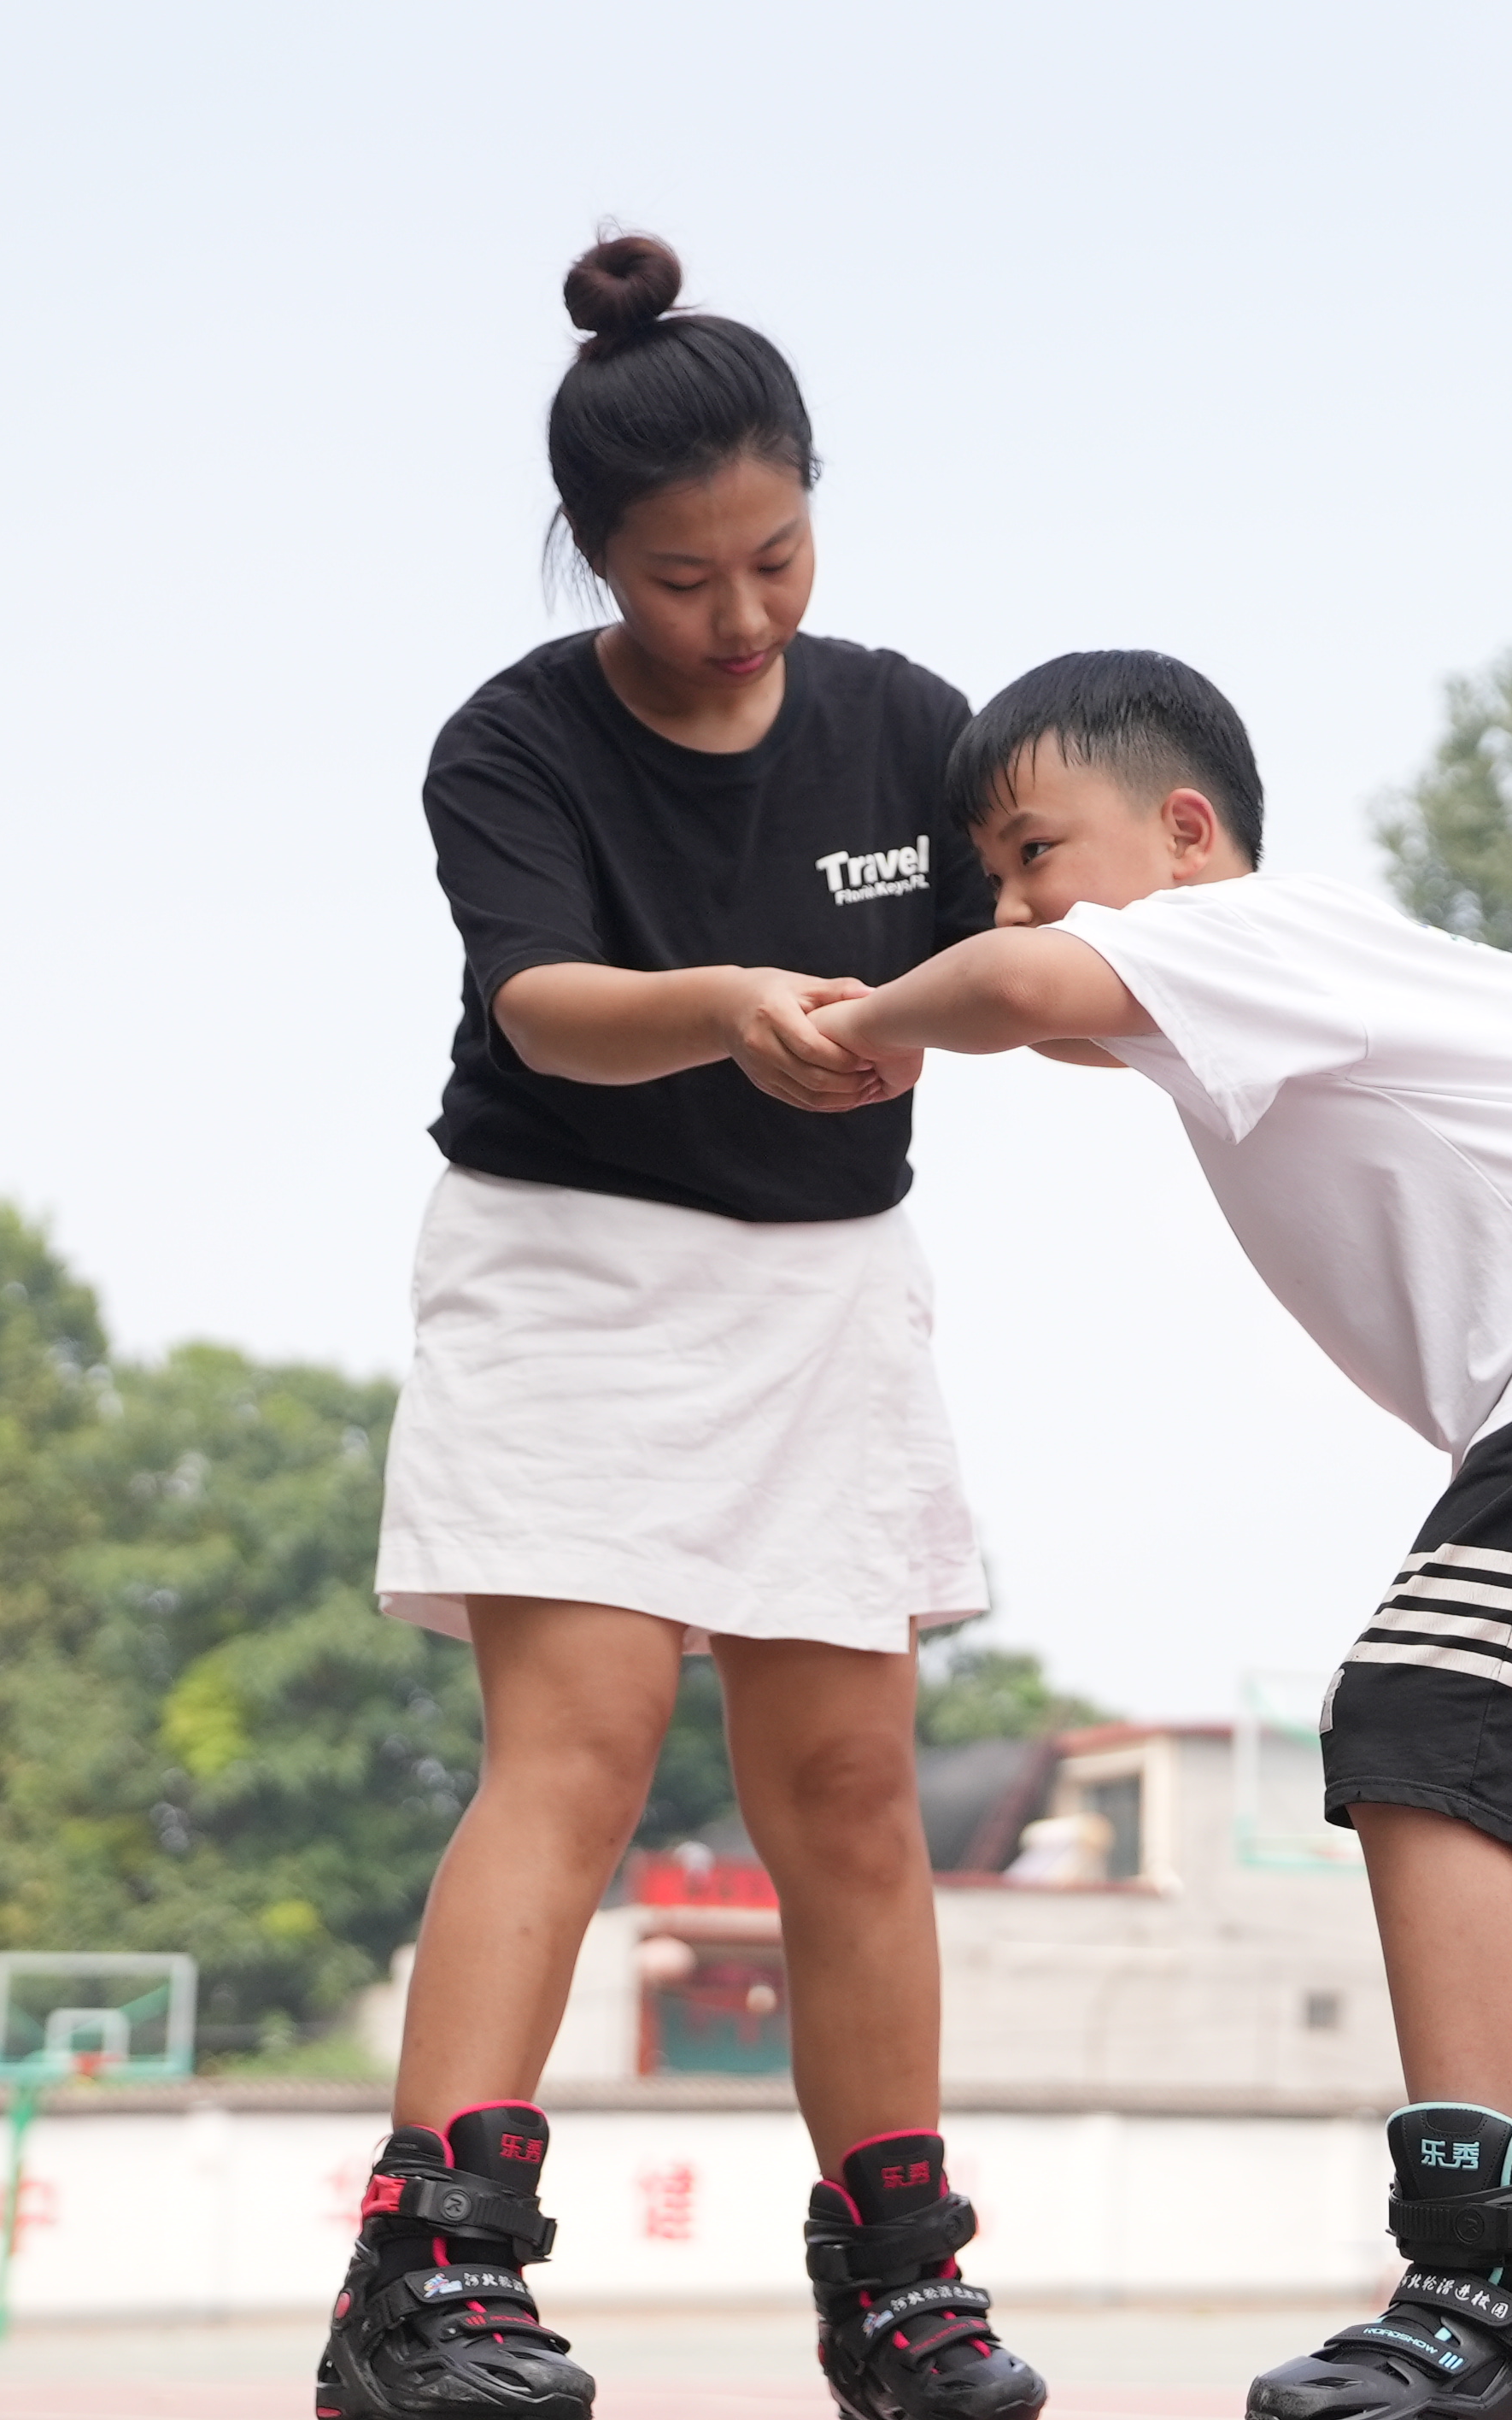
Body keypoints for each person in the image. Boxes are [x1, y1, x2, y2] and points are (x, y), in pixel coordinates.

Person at [804, 650, 1512, 2420]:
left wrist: (863, 1017)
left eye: (1035, 853)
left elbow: (1028, 986)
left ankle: (1505, 2279)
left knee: (1429, 1722)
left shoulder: (1228, 929)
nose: (1016, 906)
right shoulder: (1309, 969)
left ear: (1184, 830)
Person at [318, 233, 1045, 2420]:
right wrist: (728, 1006)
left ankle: (899, 2293)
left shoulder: (906, 727)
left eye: (777, 558)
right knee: (583, 1749)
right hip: (571, 1267)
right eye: (679, 577)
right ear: (592, 558)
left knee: (850, 1790)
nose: (741, 616)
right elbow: (541, 1004)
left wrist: (961, 1007)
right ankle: (430, 2281)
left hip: (824, 1290)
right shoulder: (515, 743)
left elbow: (1030, 938)